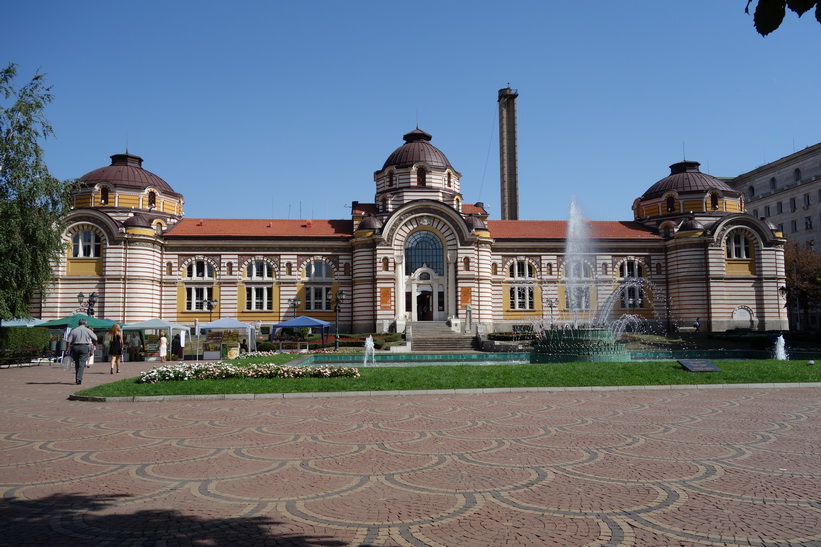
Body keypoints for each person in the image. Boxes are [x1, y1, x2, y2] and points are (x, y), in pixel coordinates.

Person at [66, 318, 98, 385]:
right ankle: (79, 379)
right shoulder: (88, 330)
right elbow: (95, 338)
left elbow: (68, 341)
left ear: (79, 323)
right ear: (85, 323)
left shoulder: (74, 330)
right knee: (82, 363)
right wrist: (93, 343)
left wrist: (67, 349)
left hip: (75, 347)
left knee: (77, 363)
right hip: (84, 347)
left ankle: (77, 377)